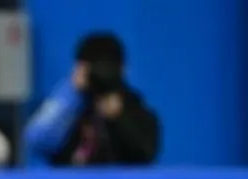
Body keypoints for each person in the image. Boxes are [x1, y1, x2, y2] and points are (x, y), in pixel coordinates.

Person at [23, 31, 160, 166]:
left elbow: (147, 153)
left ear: (122, 69)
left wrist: (119, 118)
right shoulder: (72, 105)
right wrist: (70, 93)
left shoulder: (134, 107)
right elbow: (35, 140)